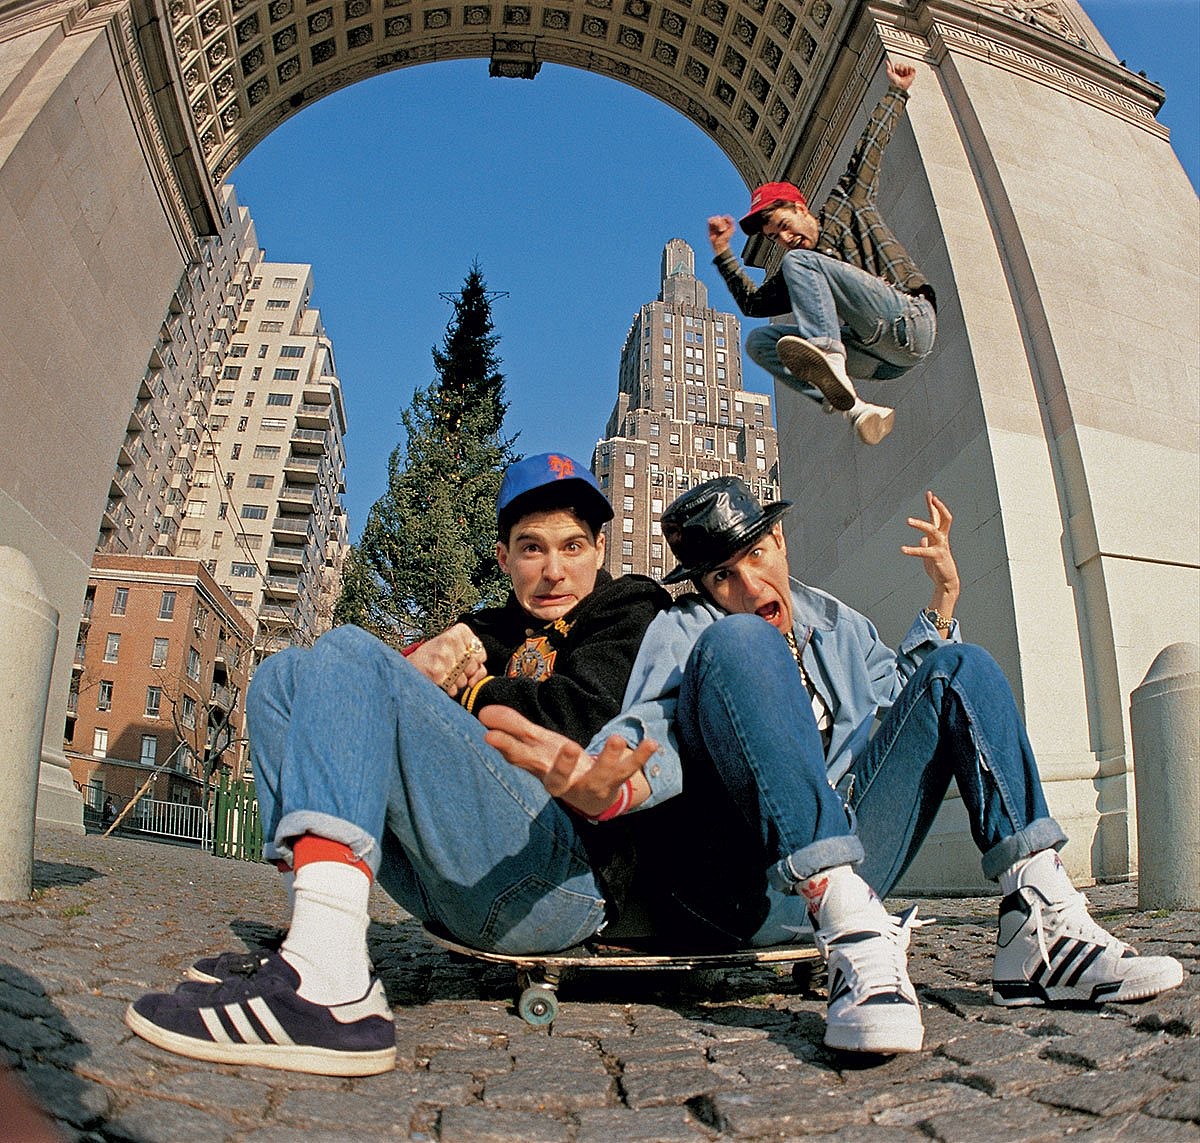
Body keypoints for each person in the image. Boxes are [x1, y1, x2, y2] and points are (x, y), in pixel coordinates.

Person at [487, 477, 1183, 1056]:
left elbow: (910, 701)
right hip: (740, 885)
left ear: (781, 540)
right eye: (722, 575)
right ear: (701, 584)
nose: (749, 582)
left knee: (959, 666)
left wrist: (942, 601)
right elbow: (655, 726)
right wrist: (618, 782)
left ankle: (1040, 928)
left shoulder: (836, 622)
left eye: (758, 555)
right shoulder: (691, 627)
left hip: (855, 859)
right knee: (742, 642)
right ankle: (851, 931)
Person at [123, 452, 672, 1076]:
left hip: (563, 887)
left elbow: (580, 721)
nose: (553, 571)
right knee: (285, 676)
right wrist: (426, 661)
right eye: (531, 549)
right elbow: (378, 697)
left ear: (600, 550)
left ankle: (329, 994)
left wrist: (472, 692)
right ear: (503, 558)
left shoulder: (629, 610)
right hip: (459, 877)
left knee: (352, 650)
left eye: (572, 547)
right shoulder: (487, 627)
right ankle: (316, 937)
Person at [707, 59, 937, 446]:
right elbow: (753, 304)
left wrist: (896, 93)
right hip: (882, 363)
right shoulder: (800, 272)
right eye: (773, 236)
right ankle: (858, 410)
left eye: (782, 225)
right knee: (760, 343)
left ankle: (829, 357)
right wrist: (723, 253)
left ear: (800, 208)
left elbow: (867, 153)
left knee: (801, 263)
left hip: (908, 320)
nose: (782, 238)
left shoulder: (848, 205)